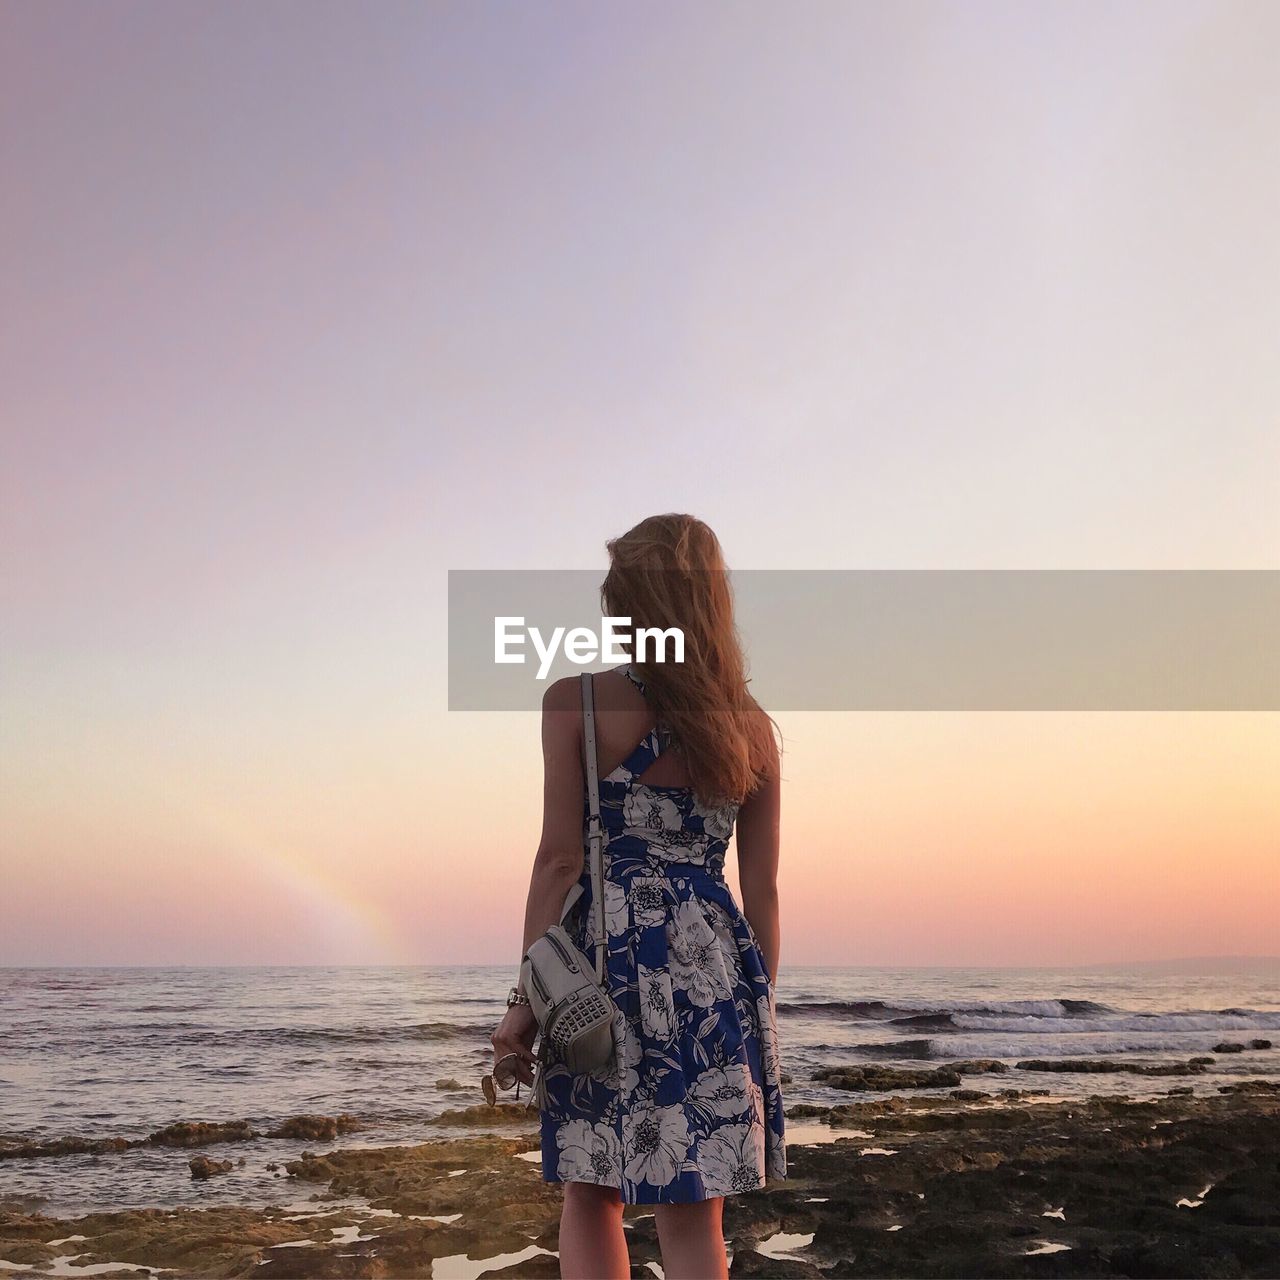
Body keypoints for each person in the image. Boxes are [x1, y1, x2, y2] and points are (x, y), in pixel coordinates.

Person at [490, 513, 787, 1280]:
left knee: (593, 1192)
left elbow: (558, 863)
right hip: (713, 975)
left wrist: (525, 1000)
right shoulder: (752, 729)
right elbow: (764, 894)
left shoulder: (576, 704)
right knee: (695, 1213)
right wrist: (755, 1015)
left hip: (605, 967)